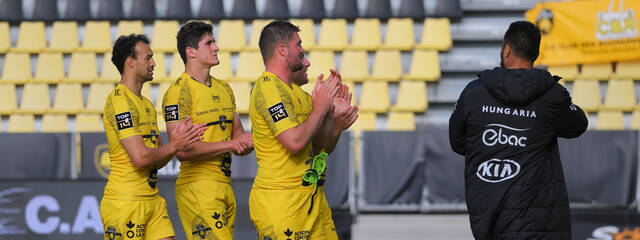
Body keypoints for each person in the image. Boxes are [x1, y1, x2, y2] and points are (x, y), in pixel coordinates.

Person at [449, 21, 588, 239]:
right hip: (540, 222)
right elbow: (578, 125)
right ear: (535, 54)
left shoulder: (473, 92)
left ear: (506, 50)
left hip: (489, 217)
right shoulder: (552, 94)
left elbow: (457, 142)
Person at [248, 20, 358, 240]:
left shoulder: (299, 95)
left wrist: (335, 123)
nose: (303, 50)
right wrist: (320, 108)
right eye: (298, 44)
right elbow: (295, 142)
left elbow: (319, 149)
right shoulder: (268, 89)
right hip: (282, 203)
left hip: (312, 200)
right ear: (282, 50)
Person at [100, 34, 207, 240]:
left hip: (152, 201)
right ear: (130, 62)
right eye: (148, 58)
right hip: (125, 203)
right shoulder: (120, 101)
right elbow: (140, 159)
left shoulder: (147, 105)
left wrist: (179, 143)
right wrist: (174, 145)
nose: (154, 63)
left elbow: (157, 160)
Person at [161, 21, 253, 240]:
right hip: (198, 186)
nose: (216, 47)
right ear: (190, 52)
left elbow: (237, 135)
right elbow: (181, 149)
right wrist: (232, 145)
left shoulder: (224, 88)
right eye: (209, 43)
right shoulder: (178, 92)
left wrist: (247, 142)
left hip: (224, 184)